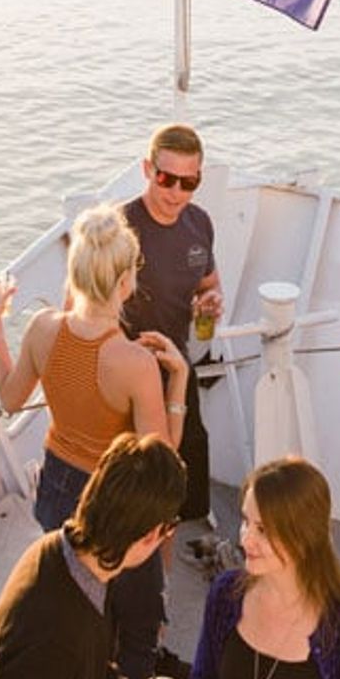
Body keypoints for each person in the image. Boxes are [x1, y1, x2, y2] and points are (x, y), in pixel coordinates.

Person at [0, 203, 188, 679]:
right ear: (125, 284)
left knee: (82, 607)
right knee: (136, 626)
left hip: (57, 490)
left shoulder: (40, 329)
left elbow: (11, 398)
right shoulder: (133, 362)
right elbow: (162, 460)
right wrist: (176, 380)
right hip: (116, 501)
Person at [0, 432, 188, 679]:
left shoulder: (67, 558)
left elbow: (89, 666)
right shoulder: (52, 639)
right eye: (170, 527)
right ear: (151, 535)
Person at [190, 457, 340, 679]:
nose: (246, 540)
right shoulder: (225, 593)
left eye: (262, 529)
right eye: (245, 521)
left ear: (303, 536)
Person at [120, 123, 223, 521]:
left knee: (190, 453)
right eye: (167, 179)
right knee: (135, 468)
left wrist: (210, 301)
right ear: (148, 169)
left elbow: (209, 284)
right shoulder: (121, 228)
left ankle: (176, 530)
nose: (176, 193)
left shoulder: (199, 224)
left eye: (189, 182)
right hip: (126, 370)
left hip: (176, 366)